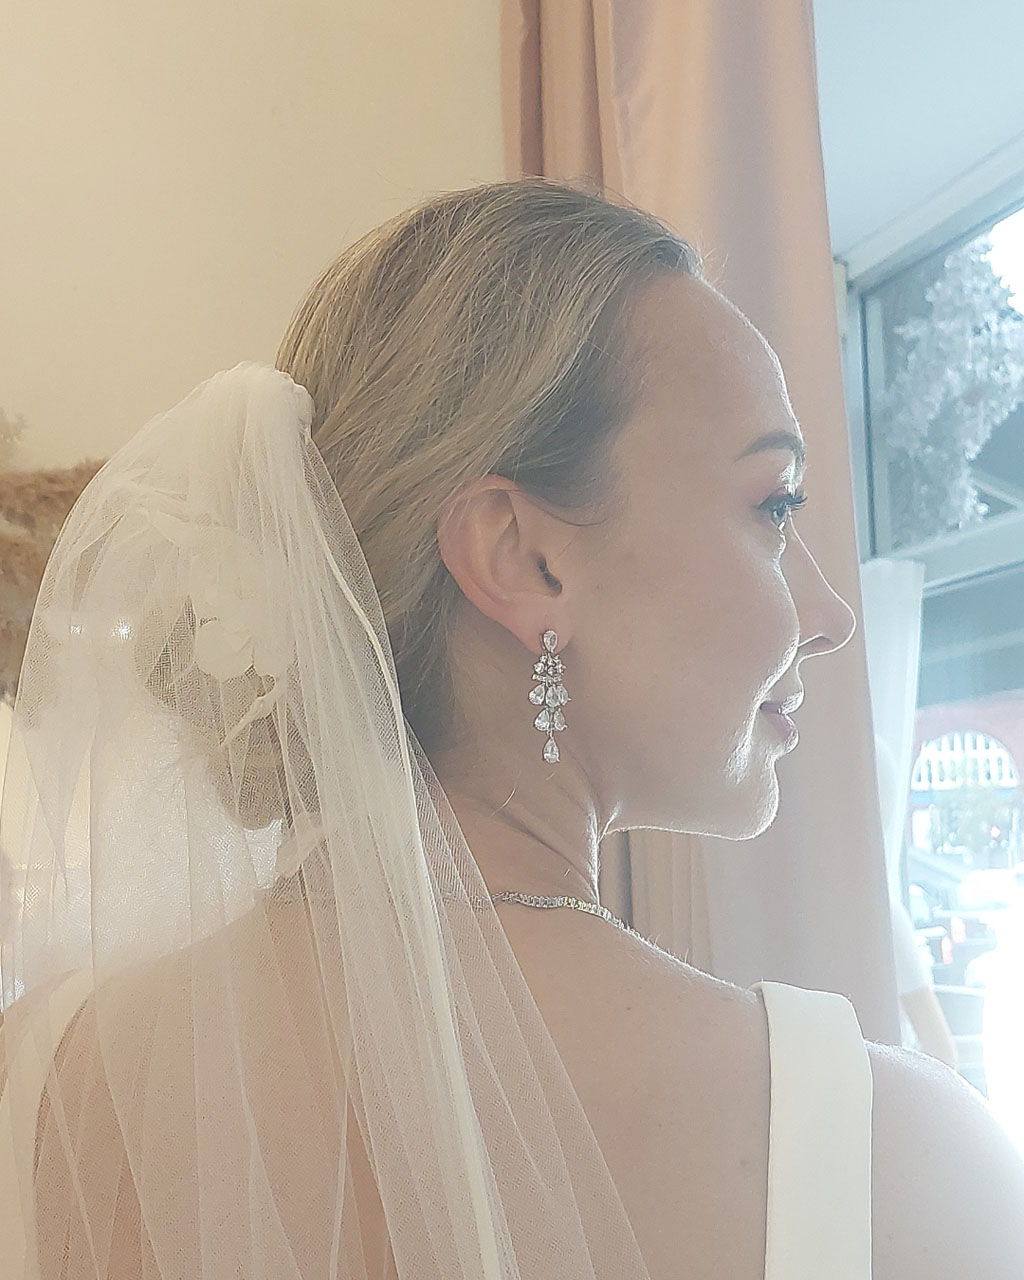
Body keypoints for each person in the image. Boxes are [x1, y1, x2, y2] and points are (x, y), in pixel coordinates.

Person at [1, 178, 1022, 1278]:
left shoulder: (38, 1073)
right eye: (773, 507)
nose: (826, 615)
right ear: (522, 557)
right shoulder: (893, 1155)